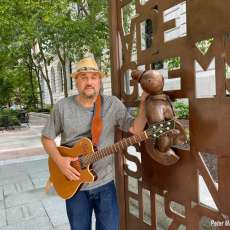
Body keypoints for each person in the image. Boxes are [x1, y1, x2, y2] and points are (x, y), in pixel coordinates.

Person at [41, 56, 147, 230]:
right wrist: (60, 162)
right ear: (76, 81)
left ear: (99, 80)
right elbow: (46, 138)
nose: (89, 82)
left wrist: (144, 103)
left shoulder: (112, 104)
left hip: (105, 185)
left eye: (93, 77)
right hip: (74, 187)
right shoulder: (62, 107)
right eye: (83, 78)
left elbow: (136, 129)